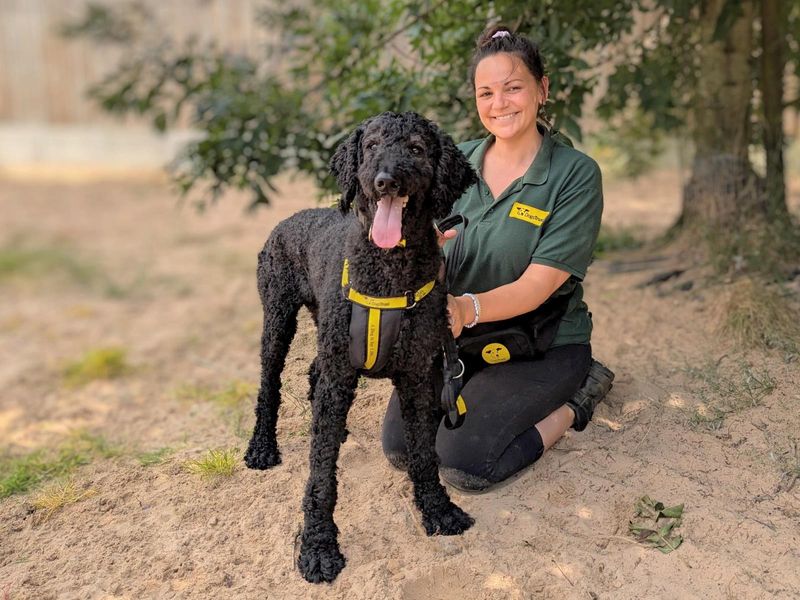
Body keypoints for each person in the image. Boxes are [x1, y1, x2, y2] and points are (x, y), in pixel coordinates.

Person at [381, 24, 615, 492]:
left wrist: (466, 309)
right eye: (486, 92)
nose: (500, 103)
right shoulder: (454, 162)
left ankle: (580, 398)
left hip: (541, 341)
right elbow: (427, 248)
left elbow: (539, 285)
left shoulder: (574, 175)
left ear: (542, 90)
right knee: (402, 448)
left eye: (513, 88)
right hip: (458, 339)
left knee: (467, 463)